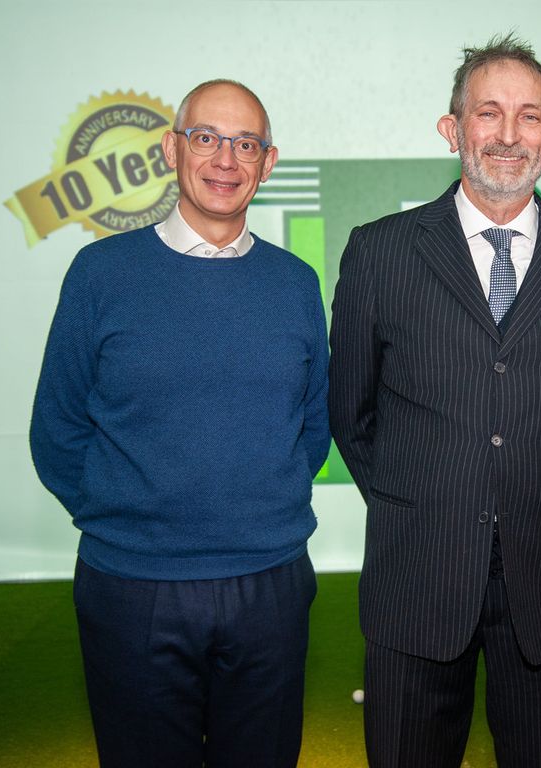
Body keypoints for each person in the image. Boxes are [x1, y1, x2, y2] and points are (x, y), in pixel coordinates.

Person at [329, 33, 541, 768]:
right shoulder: (380, 251)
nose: (507, 134)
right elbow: (351, 413)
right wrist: (423, 497)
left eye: (529, 117)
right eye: (488, 112)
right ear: (452, 128)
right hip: (416, 576)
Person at [29, 79, 329, 768]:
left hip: (270, 582)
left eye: (245, 144)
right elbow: (58, 429)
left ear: (268, 163)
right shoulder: (100, 274)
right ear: (171, 149)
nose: (225, 159)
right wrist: (129, 520)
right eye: (206, 137)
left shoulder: (295, 283)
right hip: (131, 587)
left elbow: (312, 426)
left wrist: (254, 512)